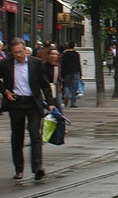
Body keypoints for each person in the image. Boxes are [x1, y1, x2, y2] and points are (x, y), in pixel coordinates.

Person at [0, 37, 55, 181]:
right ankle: (18, 169)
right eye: (15, 53)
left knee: (35, 135)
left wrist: (50, 102)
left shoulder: (35, 63)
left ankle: (37, 167)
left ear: (25, 49)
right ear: (11, 52)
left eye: (20, 51)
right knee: (17, 137)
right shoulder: (5, 64)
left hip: (32, 103)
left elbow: (44, 84)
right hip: (16, 103)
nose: (18, 55)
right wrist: (5, 91)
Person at [61, 41, 82, 107]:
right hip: (75, 72)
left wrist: (62, 75)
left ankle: (67, 96)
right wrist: (80, 74)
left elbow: (63, 65)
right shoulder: (76, 54)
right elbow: (78, 64)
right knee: (74, 88)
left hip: (67, 73)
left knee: (66, 86)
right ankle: (73, 103)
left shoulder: (65, 54)